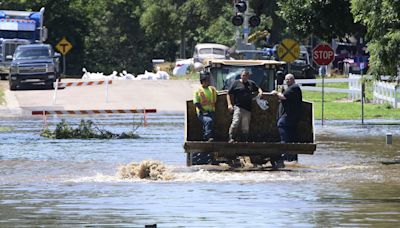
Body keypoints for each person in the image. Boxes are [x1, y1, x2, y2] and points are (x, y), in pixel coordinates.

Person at [271, 73, 303, 167]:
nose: (287, 81)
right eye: (286, 79)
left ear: (293, 79)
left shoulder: (294, 88)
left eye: (289, 79)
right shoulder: (289, 89)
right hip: (292, 116)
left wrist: (276, 93)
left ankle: (284, 150)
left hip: (290, 116)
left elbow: (283, 97)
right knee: (291, 134)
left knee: (281, 124)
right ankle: (291, 157)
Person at [226, 69, 263, 143]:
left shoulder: (251, 83)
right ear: (241, 76)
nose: (244, 77)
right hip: (238, 107)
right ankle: (231, 138)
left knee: (245, 126)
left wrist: (260, 92)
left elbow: (258, 88)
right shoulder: (236, 83)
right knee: (235, 122)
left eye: (246, 76)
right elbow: (228, 93)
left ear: (248, 76)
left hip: (248, 108)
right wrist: (229, 104)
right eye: (243, 75)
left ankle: (244, 140)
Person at [193, 71, 218, 142]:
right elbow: (196, 102)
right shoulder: (198, 90)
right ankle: (208, 137)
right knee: (208, 121)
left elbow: (218, 94)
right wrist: (203, 111)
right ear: (202, 81)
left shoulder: (212, 89)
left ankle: (205, 137)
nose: (208, 82)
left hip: (211, 112)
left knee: (211, 124)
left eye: (208, 80)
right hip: (202, 112)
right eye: (206, 80)